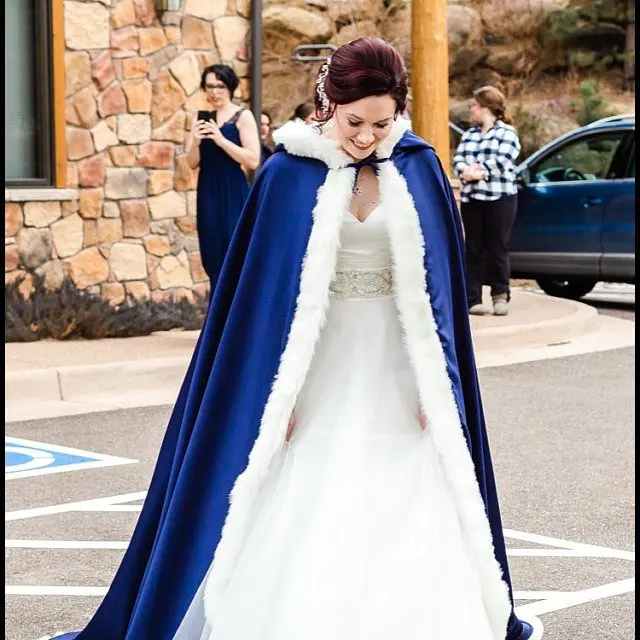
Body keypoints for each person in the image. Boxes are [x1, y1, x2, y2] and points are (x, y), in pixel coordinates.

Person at [47, 38, 542, 640]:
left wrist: (436, 385)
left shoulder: (420, 166)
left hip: (397, 363)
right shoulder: (286, 173)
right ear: (326, 103)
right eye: (354, 121)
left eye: (381, 123)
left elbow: (439, 297)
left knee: (409, 489)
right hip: (312, 369)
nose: (366, 136)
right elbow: (258, 301)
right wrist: (272, 393)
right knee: (303, 490)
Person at [185, 63, 260, 290]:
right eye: (209, 87)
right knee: (211, 251)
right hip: (207, 189)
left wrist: (221, 140)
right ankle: (217, 317)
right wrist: (196, 140)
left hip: (233, 188)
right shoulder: (200, 118)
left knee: (234, 252)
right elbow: (191, 163)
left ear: (230, 87)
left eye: (220, 86)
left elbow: (253, 160)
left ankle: (236, 318)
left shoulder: (242, 116)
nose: (214, 92)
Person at [453, 86, 521, 316]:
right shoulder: (469, 135)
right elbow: (458, 159)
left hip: (500, 198)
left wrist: (481, 172)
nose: (472, 109)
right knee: (473, 248)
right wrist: (466, 170)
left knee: (497, 247)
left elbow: (504, 160)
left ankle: (500, 295)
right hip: (473, 199)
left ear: (486, 108)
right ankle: (472, 298)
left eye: (475, 105)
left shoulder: (507, 133)